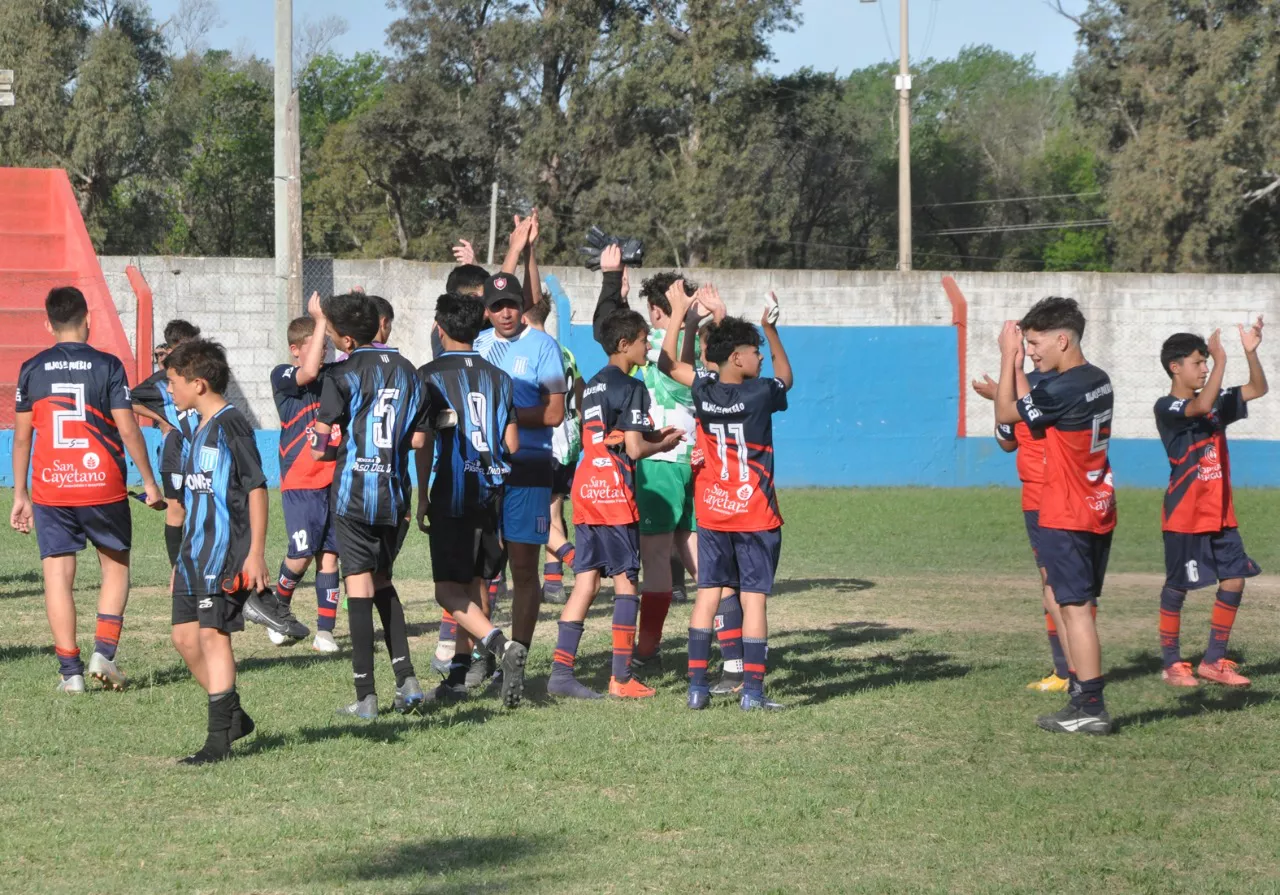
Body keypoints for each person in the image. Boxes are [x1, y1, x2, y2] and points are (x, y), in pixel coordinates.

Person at [10, 287, 165, 693]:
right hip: (103, 485)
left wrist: (20, 494)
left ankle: (70, 674)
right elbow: (128, 427)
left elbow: (23, 439)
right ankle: (104, 653)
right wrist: (149, 481)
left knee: (58, 578)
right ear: (88, 319)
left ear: (48, 323)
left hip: (51, 488)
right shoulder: (108, 365)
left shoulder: (31, 368)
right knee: (115, 568)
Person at [660, 283, 794, 711]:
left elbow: (668, 363)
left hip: (714, 514)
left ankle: (697, 688)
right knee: (754, 600)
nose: (758, 356)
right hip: (754, 515)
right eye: (753, 351)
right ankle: (752, 692)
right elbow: (786, 379)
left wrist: (682, 312)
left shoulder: (704, 389)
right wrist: (772, 332)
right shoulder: (759, 394)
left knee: (707, 596)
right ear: (738, 358)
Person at [547, 309, 684, 699]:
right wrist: (664, 443)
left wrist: (649, 433)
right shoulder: (632, 386)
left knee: (586, 582)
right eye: (643, 341)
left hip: (587, 490)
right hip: (614, 495)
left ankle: (560, 673)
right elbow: (637, 449)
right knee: (627, 582)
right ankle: (621, 678)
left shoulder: (591, 385)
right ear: (625, 344)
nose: (647, 347)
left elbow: (615, 434)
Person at [995, 296, 1116, 736]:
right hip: (1098, 503)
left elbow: (1010, 414)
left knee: (1074, 608)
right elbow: (1038, 416)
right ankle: (1082, 698)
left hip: (1067, 511)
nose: (1030, 351)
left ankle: (1090, 705)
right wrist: (1022, 374)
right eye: (1024, 345)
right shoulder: (1096, 379)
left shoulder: (1063, 388)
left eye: (1034, 343)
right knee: (1074, 604)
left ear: (1062, 339)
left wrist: (1007, 358)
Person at [312, 293, 430, 720]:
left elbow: (320, 445)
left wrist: (323, 446)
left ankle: (366, 696)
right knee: (383, 582)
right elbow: (418, 439)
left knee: (359, 587)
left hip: (353, 494)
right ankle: (408, 680)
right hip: (395, 494)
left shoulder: (342, 375)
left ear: (346, 340)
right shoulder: (410, 372)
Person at [415, 293, 528, 706]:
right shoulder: (500, 377)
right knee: (475, 586)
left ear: (439, 328)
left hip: (453, 491)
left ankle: (500, 647)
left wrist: (423, 495)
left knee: (447, 592)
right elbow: (511, 443)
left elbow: (423, 440)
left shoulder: (427, 375)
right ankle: (458, 679)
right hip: (491, 491)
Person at [472, 214, 566, 702]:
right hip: (483, 472)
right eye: (497, 306)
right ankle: (483, 659)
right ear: (487, 312)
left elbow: (553, 413)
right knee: (479, 571)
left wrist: (506, 413)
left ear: (521, 308)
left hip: (528, 469)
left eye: (511, 305)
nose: (505, 313)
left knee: (524, 570)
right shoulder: (480, 345)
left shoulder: (543, 346)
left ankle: (519, 658)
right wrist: (514, 247)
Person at [165, 339, 271, 764]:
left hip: (226, 554)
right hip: (193, 554)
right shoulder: (195, 429)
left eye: (174, 382)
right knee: (184, 638)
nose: (169, 390)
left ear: (199, 383)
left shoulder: (232, 425)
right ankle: (234, 714)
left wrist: (256, 552)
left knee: (212, 636)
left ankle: (217, 742)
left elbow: (257, 488)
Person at [1154, 321, 1266, 687]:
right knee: (1178, 586)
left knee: (1234, 580)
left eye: (1206, 362)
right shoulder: (1168, 405)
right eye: (1198, 362)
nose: (1203, 368)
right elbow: (1200, 405)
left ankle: (1213, 661)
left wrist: (1250, 351)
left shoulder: (1216, 401)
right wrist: (1221, 360)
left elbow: (1257, 388)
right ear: (1176, 367)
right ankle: (1172, 662)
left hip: (1220, 513)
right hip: (1185, 515)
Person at [973, 371, 1077, 692]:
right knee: (1053, 584)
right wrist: (1002, 403)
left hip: (1054, 496)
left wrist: (1003, 398)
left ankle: (1074, 671)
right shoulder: (1033, 399)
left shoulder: (1054, 399)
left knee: (1062, 587)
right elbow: (1006, 441)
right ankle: (1064, 670)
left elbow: (1012, 433)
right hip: (1037, 498)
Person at [632, 270, 705, 675]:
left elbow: (673, 376)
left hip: (660, 461)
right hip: (692, 459)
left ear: (657, 310)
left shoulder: (657, 344)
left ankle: (648, 649)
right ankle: (732, 638)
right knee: (694, 550)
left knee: (656, 558)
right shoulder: (701, 344)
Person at [268, 295, 341, 653]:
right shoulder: (282, 375)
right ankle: (276, 609)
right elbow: (309, 372)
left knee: (330, 554)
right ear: (296, 349)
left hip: (334, 478)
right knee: (301, 554)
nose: (323, 350)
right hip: (300, 479)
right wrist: (319, 319)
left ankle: (325, 631)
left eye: (326, 344)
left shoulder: (334, 375)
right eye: (317, 343)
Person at [525, 289, 583, 604]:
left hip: (548, 440)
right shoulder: (566, 352)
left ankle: (575, 561)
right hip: (570, 438)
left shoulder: (536, 350)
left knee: (532, 512)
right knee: (553, 507)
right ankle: (553, 583)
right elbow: (581, 391)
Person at [131, 319, 202, 567]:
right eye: (188, 346)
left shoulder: (201, 374)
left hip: (202, 450)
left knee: (204, 507)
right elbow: (129, 400)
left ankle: (202, 562)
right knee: (177, 508)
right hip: (175, 452)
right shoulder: (160, 381)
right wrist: (161, 419)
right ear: (173, 348)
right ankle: (177, 569)